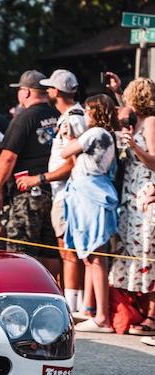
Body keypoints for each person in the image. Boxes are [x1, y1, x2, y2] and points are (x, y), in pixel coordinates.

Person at [19, 69, 87, 315]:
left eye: (49, 87)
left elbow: (72, 164)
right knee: (70, 251)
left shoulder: (72, 119)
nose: (46, 91)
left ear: (56, 91)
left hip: (67, 192)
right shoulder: (72, 116)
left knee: (68, 251)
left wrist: (39, 179)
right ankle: (79, 303)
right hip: (66, 192)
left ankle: (73, 306)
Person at [0, 70, 59, 274]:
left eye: (19, 89)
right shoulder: (57, 115)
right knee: (49, 250)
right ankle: (51, 288)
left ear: (26, 92)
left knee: (21, 249)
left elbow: (8, 157)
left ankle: (25, 290)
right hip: (53, 190)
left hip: (27, 193)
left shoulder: (24, 118)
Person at [61, 94, 120, 333]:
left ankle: (102, 317)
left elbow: (65, 152)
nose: (85, 114)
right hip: (89, 192)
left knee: (95, 255)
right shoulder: (105, 135)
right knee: (89, 255)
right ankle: (89, 309)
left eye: (87, 110)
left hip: (91, 195)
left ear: (96, 112)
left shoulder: (95, 133)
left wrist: (69, 137)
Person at [110, 78, 155, 339]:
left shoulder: (151, 123)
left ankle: (152, 314)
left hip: (146, 191)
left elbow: (154, 161)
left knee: (148, 252)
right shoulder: (137, 120)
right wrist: (116, 92)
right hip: (131, 194)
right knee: (134, 253)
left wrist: (135, 147)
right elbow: (125, 112)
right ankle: (138, 309)